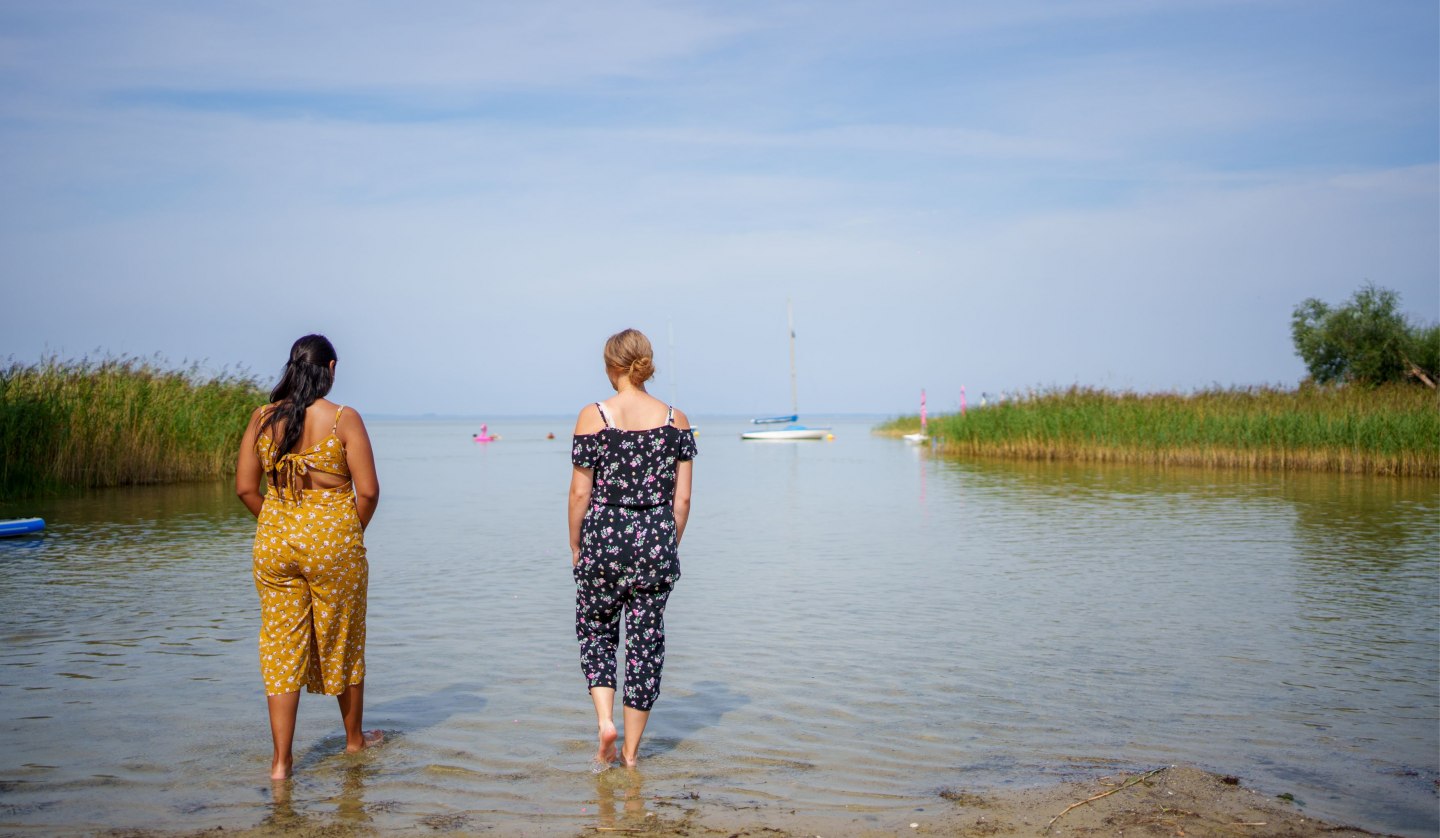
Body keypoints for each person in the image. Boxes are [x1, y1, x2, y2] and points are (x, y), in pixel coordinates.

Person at [236, 334, 383, 780]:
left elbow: (245, 489)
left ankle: (281, 763)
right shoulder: (342, 419)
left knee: (280, 649)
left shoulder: (262, 417)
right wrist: (340, 532)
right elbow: (369, 491)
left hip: (275, 541)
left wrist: (284, 522)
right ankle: (354, 741)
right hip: (333, 543)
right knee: (344, 637)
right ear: (331, 368)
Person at [569, 328, 696, 771]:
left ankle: (605, 721)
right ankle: (631, 755)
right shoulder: (675, 419)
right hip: (655, 542)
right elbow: (682, 500)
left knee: (597, 632)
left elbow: (579, 495)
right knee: (645, 646)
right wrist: (666, 543)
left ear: (611, 367)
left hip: (603, 539)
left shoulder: (594, 416)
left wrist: (576, 546)